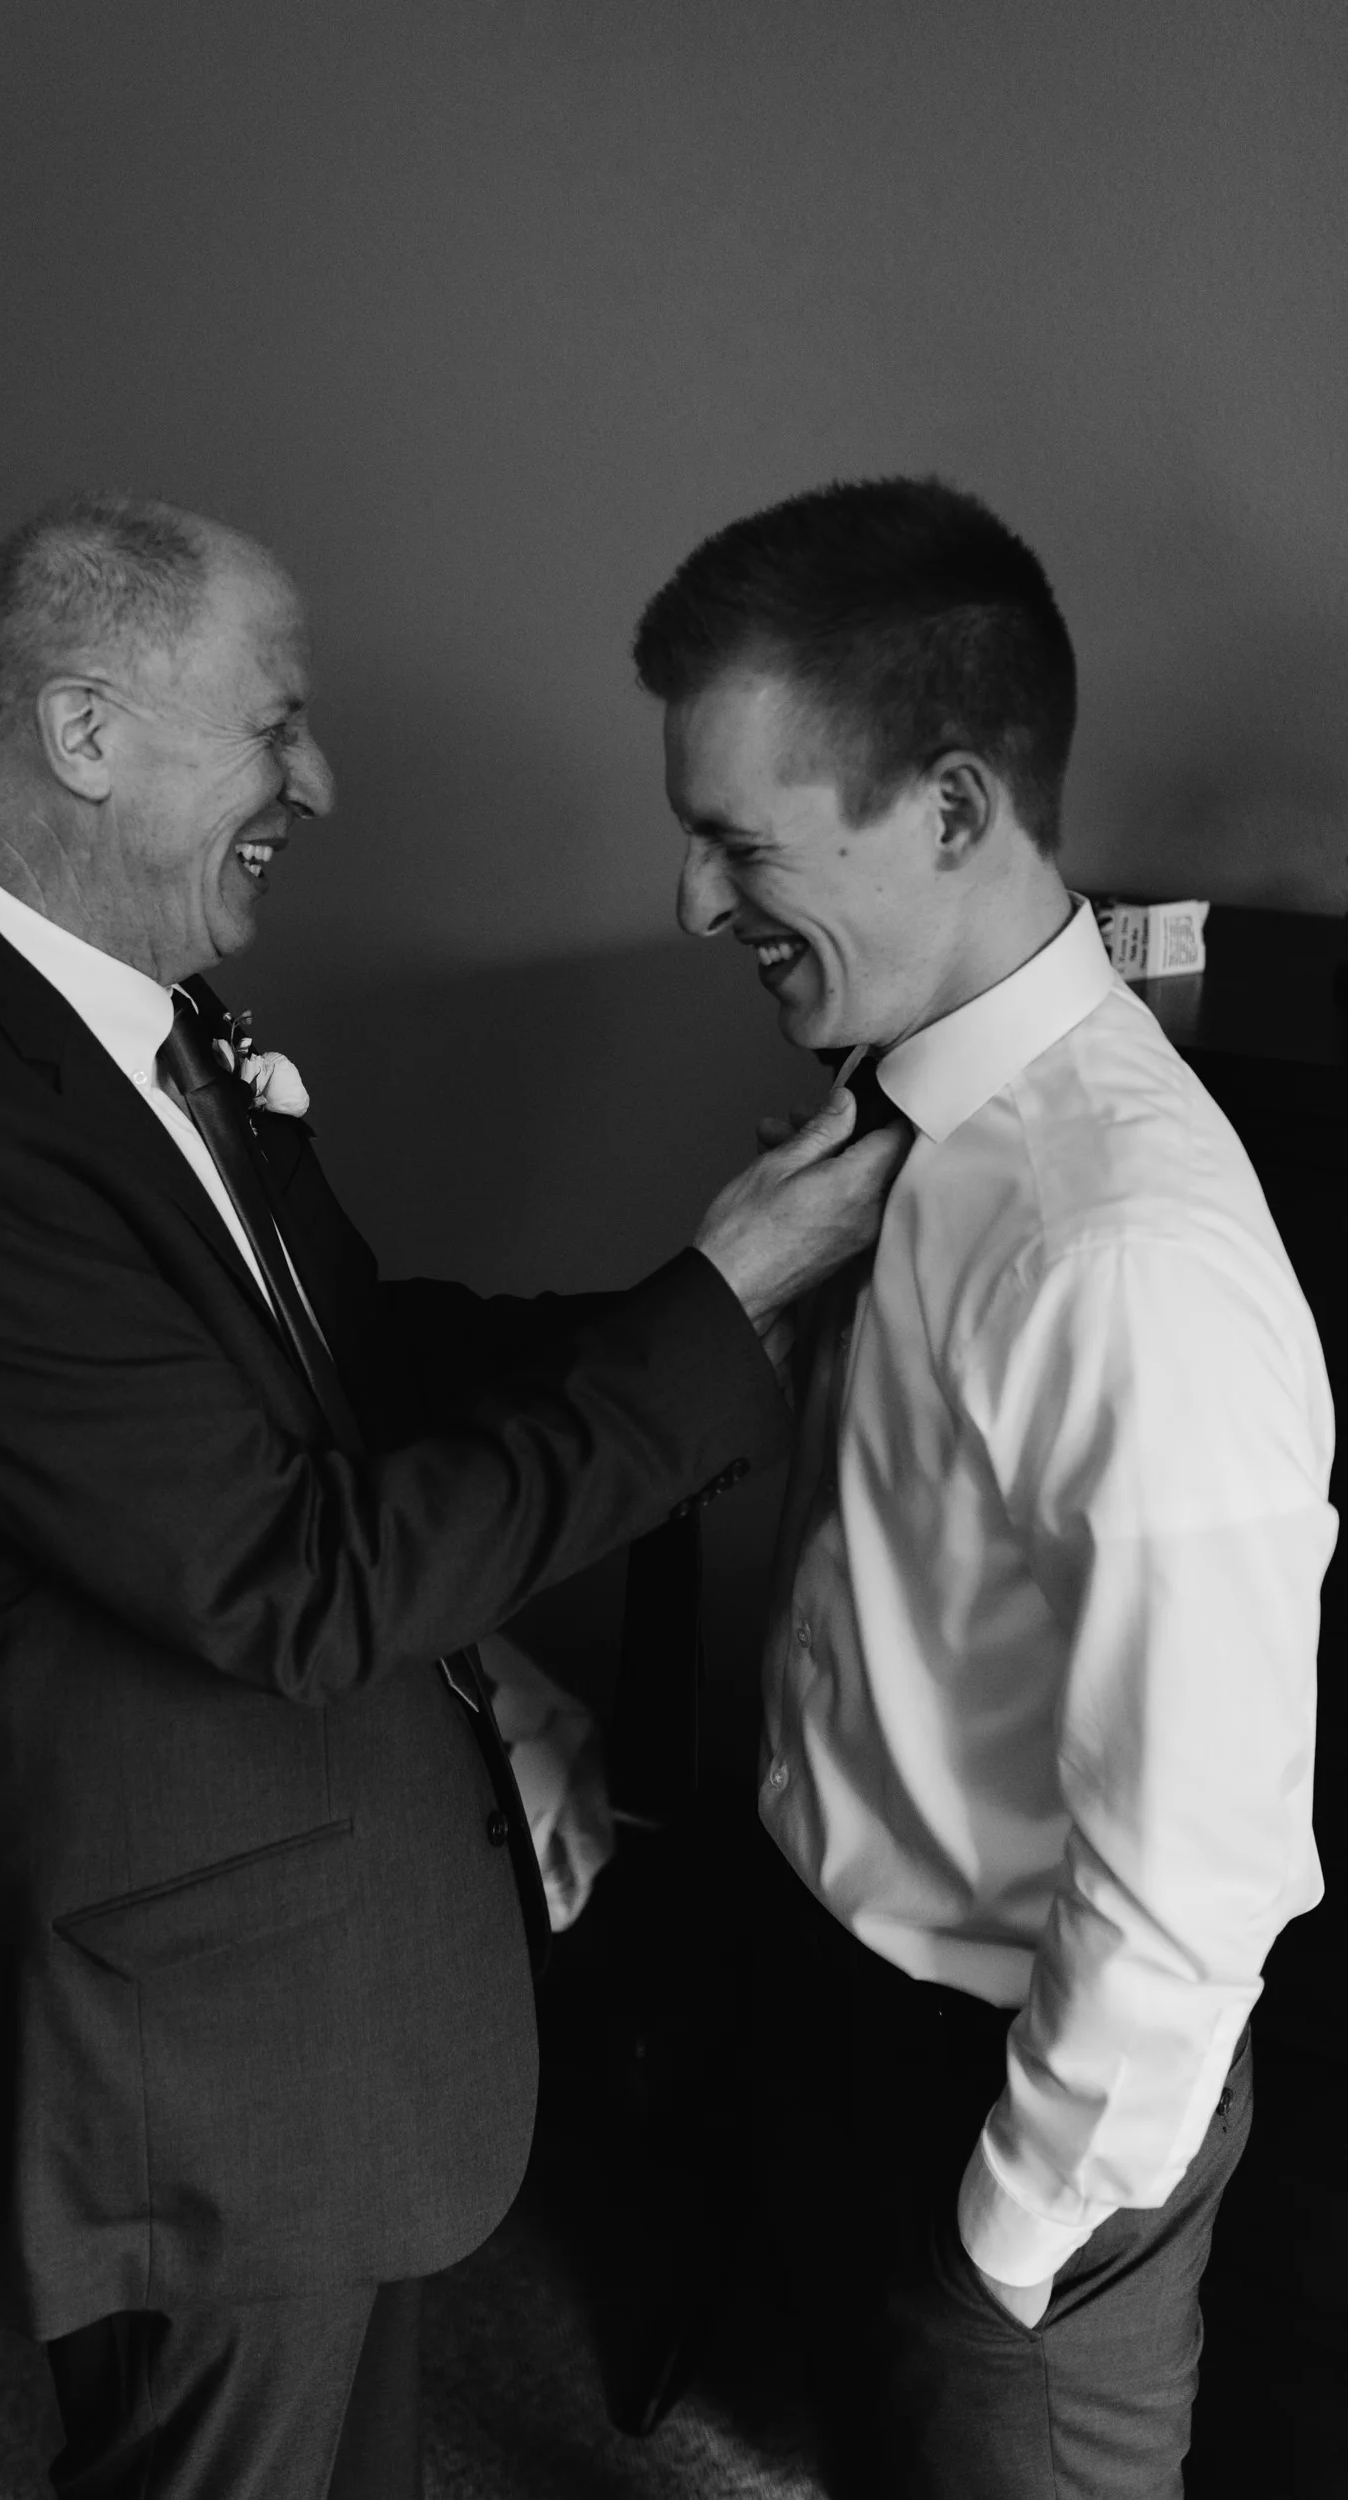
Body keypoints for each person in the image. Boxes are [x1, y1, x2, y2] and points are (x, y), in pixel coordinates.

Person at [0, 490, 904, 2500]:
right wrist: (722, 1317)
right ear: (89, 730)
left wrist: (688, 1314)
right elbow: (295, 1575)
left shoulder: (132, 1020)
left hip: (316, 1989)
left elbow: (344, 1372)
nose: (321, 774)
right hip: (190, 2049)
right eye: (278, 719)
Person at [633, 475, 1336, 2498]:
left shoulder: (1120, 1255)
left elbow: (1191, 1892)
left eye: (736, 840)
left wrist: (1000, 2248)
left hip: (1020, 2102)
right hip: (849, 1993)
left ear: (950, 810)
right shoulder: (905, 1130)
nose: (694, 903)